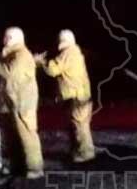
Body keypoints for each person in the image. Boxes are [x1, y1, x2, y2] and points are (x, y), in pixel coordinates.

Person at [0, 27, 44, 178]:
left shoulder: (21, 55)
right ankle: (17, 166)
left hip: (22, 103)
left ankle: (35, 168)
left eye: (8, 37)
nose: (4, 40)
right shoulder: (10, 54)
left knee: (27, 135)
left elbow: (9, 73)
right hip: (10, 102)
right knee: (12, 137)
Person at [35, 29, 95, 163]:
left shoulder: (68, 53)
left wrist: (42, 62)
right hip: (82, 95)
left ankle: (85, 153)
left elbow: (53, 70)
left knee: (80, 127)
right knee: (80, 126)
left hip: (76, 97)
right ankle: (79, 151)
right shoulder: (75, 52)